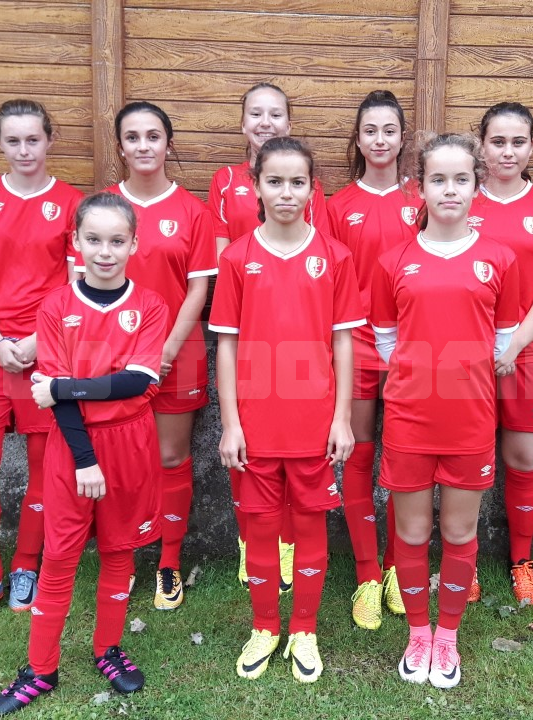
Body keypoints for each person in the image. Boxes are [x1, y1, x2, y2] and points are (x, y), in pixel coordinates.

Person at [0, 192, 168, 716]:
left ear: (134, 243)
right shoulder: (56, 306)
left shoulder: (150, 307)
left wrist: (66, 388)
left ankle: (108, 648)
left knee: (118, 552)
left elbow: (139, 381)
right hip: (73, 451)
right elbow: (56, 393)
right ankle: (40, 668)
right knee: (60, 558)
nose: (105, 251)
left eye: (116, 241)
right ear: (76, 243)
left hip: (131, 444)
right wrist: (84, 458)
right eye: (94, 240)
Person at [210, 137, 362, 684]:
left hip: (313, 423)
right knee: (259, 530)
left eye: (298, 182)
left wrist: (342, 418)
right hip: (254, 425)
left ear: (312, 189)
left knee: (312, 526)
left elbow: (343, 342)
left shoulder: (335, 257)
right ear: (255, 186)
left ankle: (304, 627)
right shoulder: (236, 257)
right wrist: (230, 423)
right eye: (274, 181)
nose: (286, 192)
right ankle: (265, 625)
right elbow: (226, 344)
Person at [372, 133, 520, 689]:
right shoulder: (394, 261)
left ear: (477, 187)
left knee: (459, 532)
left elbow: (504, 339)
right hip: (410, 419)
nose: (450, 189)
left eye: (461, 179)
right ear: (421, 187)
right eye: (439, 179)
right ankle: (417, 632)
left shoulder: (498, 259)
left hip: (471, 421)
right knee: (411, 534)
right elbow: (386, 339)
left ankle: (449, 635)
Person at [0, 99, 82, 626]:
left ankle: (26, 566)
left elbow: (76, 281)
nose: (24, 150)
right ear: (0, 143)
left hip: (45, 349)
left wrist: (34, 341)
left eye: (33, 139)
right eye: (13, 141)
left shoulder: (71, 201)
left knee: (41, 467)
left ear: (50, 139)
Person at [208, 82, 330, 590]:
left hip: (296, 343)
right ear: (242, 123)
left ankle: (285, 550)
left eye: (275, 114)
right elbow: (221, 260)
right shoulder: (224, 181)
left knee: (293, 460)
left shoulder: (306, 188)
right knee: (250, 451)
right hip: (246, 319)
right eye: (254, 113)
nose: (264, 122)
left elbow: (316, 258)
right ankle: (251, 544)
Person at [106, 101, 217, 611]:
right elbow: (82, 284)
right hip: (113, 356)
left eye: (154, 136)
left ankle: (169, 562)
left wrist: (166, 349)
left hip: (177, 353)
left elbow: (199, 289)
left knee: (171, 458)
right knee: (123, 461)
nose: (144, 146)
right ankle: (122, 557)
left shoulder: (193, 211)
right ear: (121, 146)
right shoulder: (103, 206)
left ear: (168, 144)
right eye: (133, 137)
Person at [325, 89, 421, 628]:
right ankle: (365, 572)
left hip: (414, 351)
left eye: (389, 130)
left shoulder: (423, 200)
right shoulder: (338, 207)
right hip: (357, 351)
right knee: (358, 458)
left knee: (404, 464)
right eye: (370, 130)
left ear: (402, 137)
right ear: (357, 139)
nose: (379, 139)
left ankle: (396, 571)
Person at [472, 102, 533, 605]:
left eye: (518, 142)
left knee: (523, 458)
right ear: (482, 145)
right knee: (467, 458)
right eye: (498, 141)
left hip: (529, 350)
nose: (507, 152)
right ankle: (462, 563)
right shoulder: (461, 200)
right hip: (466, 351)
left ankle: (521, 560)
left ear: (532, 146)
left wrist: (511, 345)